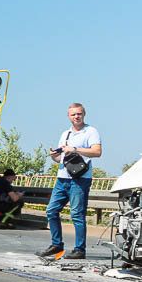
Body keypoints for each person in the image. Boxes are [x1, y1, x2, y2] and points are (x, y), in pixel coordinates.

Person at [38, 103, 102, 259]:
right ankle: (56, 244)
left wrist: (75, 149)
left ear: (84, 114)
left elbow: (97, 152)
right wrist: (55, 156)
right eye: (73, 114)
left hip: (80, 179)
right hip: (62, 178)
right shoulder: (65, 133)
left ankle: (80, 249)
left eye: (79, 114)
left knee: (77, 215)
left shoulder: (91, 131)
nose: (76, 117)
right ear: (69, 116)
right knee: (51, 211)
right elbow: (62, 158)